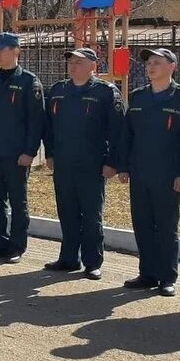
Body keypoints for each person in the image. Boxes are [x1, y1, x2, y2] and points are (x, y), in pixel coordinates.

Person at [117, 48, 180, 297]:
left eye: (157, 62)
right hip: (140, 172)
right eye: (148, 63)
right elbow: (126, 136)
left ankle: (167, 276)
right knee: (142, 224)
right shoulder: (138, 96)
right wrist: (123, 166)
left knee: (165, 226)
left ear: (172, 66)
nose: (150, 67)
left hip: (168, 174)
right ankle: (147, 273)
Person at [42, 48, 124, 280]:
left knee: (90, 214)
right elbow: (48, 127)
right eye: (70, 61)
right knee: (66, 211)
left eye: (78, 62)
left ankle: (92, 261)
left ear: (93, 66)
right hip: (64, 162)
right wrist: (50, 153)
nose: (72, 66)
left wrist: (112, 162)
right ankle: (68, 258)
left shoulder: (105, 92)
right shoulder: (59, 90)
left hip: (92, 163)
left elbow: (117, 130)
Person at [0, 32, 45, 263]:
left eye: (2, 50)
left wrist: (30, 151)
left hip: (16, 154)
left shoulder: (28, 81)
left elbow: (36, 120)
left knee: (17, 200)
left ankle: (17, 245)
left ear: (16, 51)